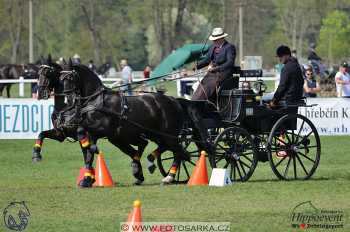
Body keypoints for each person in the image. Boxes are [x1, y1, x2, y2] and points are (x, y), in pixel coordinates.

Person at [192, 27, 236, 101]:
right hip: (212, 73)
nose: (214, 41)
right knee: (201, 85)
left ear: (222, 38)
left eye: (215, 40)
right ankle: (194, 101)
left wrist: (216, 68)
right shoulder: (212, 47)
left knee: (207, 87)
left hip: (223, 73)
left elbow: (230, 63)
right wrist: (197, 66)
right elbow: (207, 60)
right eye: (213, 40)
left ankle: (201, 102)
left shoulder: (229, 47)